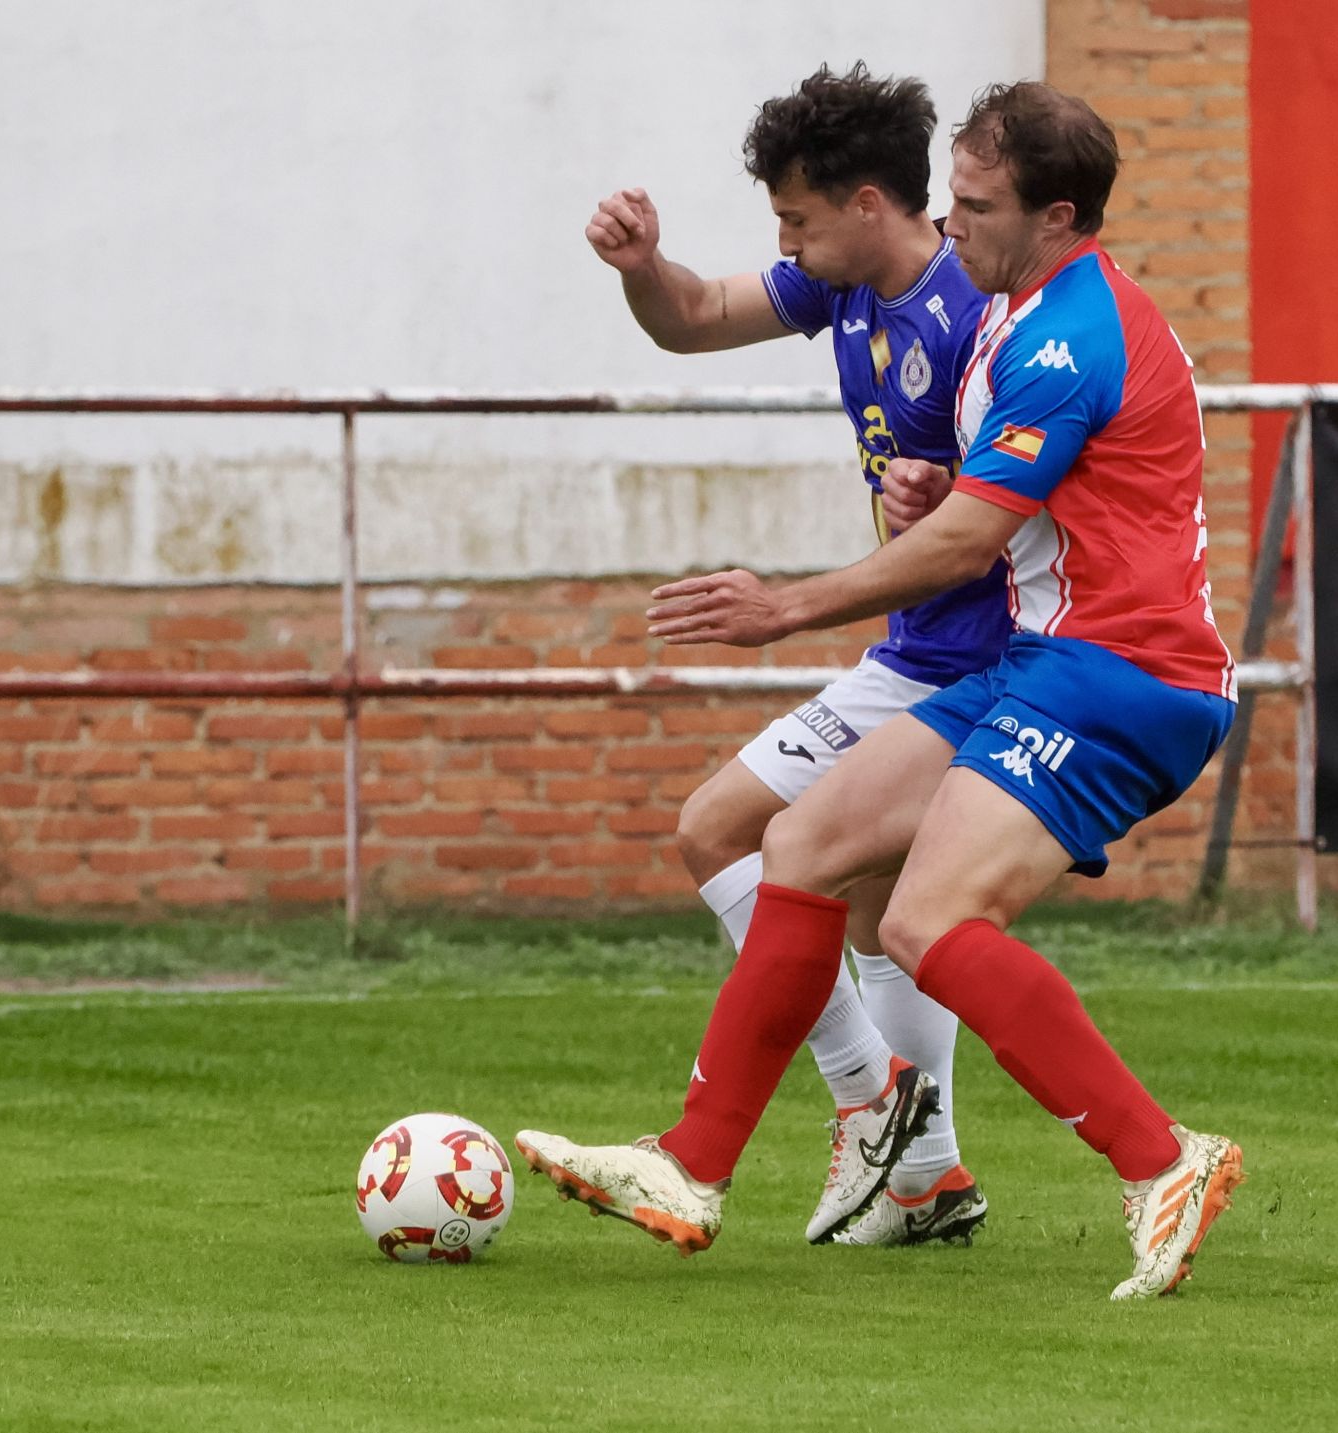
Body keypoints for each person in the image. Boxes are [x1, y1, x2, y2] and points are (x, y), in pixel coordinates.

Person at [520, 80, 1245, 1300]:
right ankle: (694, 1168)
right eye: (949, 196)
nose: (950, 222)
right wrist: (935, 495)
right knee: (801, 842)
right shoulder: (1021, 310)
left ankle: (1162, 1159)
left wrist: (790, 604)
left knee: (920, 920)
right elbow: (1007, 508)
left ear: (1057, 215)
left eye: (976, 204)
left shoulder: (1063, 337)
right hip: (1042, 658)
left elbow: (970, 543)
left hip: (1124, 676)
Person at [582, 61, 1006, 1246]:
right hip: (916, 651)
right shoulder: (844, 290)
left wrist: (944, 502)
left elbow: (1025, 509)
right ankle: (921, 1171)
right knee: (880, 910)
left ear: (870, 202)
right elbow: (695, 316)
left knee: (723, 828)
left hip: (982, 663)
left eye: (796, 218)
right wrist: (641, 270)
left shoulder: (976, 313)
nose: (785, 241)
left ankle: (880, 1108)